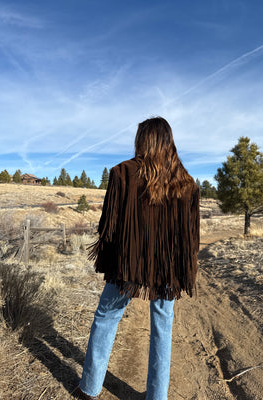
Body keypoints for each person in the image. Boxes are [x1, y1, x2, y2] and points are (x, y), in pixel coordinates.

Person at [75, 117, 200, 400]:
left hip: (128, 265)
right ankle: (157, 396)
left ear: (142, 140)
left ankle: (90, 389)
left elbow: (109, 228)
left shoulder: (122, 173)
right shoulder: (187, 184)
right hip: (166, 270)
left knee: (106, 317)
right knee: (163, 326)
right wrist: (181, 270)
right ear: (169, 142)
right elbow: (191, 239)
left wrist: (112, 266)